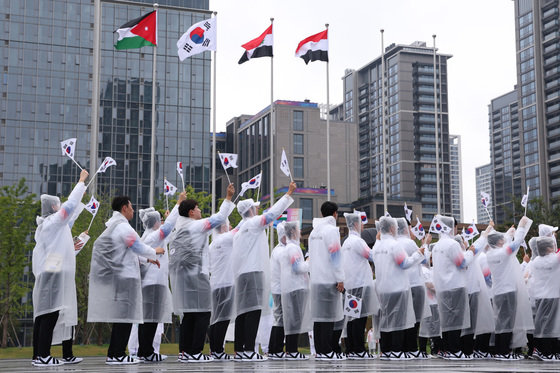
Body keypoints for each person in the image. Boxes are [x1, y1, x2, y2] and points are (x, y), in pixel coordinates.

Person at [87, 195, 165, 365]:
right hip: (125, 278)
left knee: (123, 318)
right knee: (125, 318)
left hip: (121, 277)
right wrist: (154, 251)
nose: (133, 210)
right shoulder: (123, 227)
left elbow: (128, 251)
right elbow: (136, 246)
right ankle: (117, 354)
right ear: (124, 208)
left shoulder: (115, 226)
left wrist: (147, 259)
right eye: (131, 207)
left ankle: (115, 353)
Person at [169, 183, 236, 363]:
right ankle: (196, 351)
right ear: (191, 212)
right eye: (198, 208)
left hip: (181, 277)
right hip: (196, 275)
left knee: (189, 313)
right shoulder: (196, 226)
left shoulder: (178, 229)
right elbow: (220, 217)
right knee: (204, 312)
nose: (200, 211)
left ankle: (185, 352)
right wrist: (228, 197)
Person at [231, 181, 296, 361]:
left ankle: (240, 349)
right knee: (253, 311)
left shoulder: (241, 228)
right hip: (254, 272)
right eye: (255, 207)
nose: (258, 210)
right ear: (251, 210)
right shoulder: (253, 223)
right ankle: (250, 350)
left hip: (242, 274)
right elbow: (273, 213)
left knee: (243, 312)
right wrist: (288, 193)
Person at [31, 169, 89, 367]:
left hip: (50, 270)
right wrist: (81, 182)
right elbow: (69, 207)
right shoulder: (53, 222)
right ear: (53, 206)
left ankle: (38, 355)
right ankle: (43, 355)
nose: (60, 205)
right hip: (52, 273)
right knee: (50, 313)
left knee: (44, 313)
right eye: (57, 203)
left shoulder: (50, 225)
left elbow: (70, 217)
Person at [135, 191, 186, 362]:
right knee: (150, 320)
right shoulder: (153, 236)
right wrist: (178, 205)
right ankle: (147, 352)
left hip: (153, 283)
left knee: (150, 320)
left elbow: (170, 231)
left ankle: (145, 351)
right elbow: (167, 228)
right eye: (160, 221)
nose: (162, 223)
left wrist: (173, 217)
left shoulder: (150, 237)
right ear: (155, 222)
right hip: (153, 283)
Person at [372, 216, 424, 360]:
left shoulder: (377, 246)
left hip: (382, 288)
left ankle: (386, 350)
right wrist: (418, 254)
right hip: (397, 287)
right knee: (398, 320)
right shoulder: (394, 245)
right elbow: (404, 263)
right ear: (391, 228)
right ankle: (396, 350)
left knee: (386, 319)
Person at [485, 216, 533, 360]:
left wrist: (510, 234)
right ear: (498, 242)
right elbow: (516, 243)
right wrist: (521, 227)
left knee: (501, 321)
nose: (503, 240)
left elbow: (509, 244)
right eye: (502, 239)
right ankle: (504, 352)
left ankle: (500, 350)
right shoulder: (501, 252)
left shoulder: (491, 254)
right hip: (508, 291)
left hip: (498, 291)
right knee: (508, 322)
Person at [431, 215, 473, 360]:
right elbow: (461, 263)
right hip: (455, 285)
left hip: (442, 287)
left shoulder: (436, 246)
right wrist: (470, 252)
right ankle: (455, 350)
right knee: (455, 318)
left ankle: (449, 349)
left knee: (447, 319)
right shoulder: (452, 244)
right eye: (455, 227)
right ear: (452, 227)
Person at [308, 201, 345, 361]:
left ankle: (320, 350)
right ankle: (327, 350)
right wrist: (340, 278)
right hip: (328, 278)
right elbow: (335, 255)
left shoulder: (314, 232)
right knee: (328, 317)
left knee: (319, 318)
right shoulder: (331, 230)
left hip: (315, 279)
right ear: (335, 214)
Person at [341, 213, 379, 359]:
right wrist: (378, 241)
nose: (363, 226)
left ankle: (351, 349)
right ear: (356, 224)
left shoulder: (347, 242)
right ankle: (358, 349)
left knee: (352, 318)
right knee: (359, 318)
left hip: (351, 285)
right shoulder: (358, 241)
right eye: (361, 223)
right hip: (359, 285)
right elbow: (372, 256)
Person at [453, 234, 494, 359]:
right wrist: (486, 232)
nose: (466, 243)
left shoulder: (458, 256)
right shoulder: (467, 255)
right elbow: (477, 246)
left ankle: (464, 350)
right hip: (470, 292)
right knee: (469, 324)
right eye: (464, 241)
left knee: (463, 324)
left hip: (462, 292)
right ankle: (467, 351)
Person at [396, 218, 431, 358]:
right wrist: (425, 245)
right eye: (410, 227)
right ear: (405, 228)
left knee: (404, 318)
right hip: (415, 284)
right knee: (415, 318)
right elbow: (424, 259)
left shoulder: (395, 243)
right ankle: (411, 347)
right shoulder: (409, 242)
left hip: (402, 285)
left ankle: (405, 347)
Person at [208, 219, 240, 361]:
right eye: (228, 224)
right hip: (226, 283)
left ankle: (214, 349)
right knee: (223, 319)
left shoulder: (212, 244)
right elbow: (240, 227)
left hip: (215, 283)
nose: (230, 226)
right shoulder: (226, 238)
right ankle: (218, 350)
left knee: (216, 319)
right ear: (222, 227)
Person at [279, 221, 311, 360]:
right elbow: (298, 267)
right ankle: (292, 350)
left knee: (293, 319)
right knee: (294, 320)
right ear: (292, 232)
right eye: (298, 229)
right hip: (296, 287)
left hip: (292, 287)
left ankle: (291, 349)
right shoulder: (292, 248)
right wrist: (310, 261)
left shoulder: (290, 248)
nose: (300, 232)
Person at [530, 236, 560, 361]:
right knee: (549, 326)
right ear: (548, 248)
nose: (554, 247)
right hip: (551, 296)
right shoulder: (553, 260)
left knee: (542, 324)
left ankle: (542, 350)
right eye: (552, 245)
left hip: (539, 296)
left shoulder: (536, 260)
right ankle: (547, 353)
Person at [268, 222, 288, 360]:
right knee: (280, 319)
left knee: (279, 318)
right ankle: (276, 349)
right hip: (281, 289)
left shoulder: (277, 249)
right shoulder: (282, 251)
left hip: (278, 288)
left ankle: (274, 348)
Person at [418, 250, 443, 357]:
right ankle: (423, 350)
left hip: (432, 302)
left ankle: (435, 350)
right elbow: (429, 285)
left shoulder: (429, 270)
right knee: (426, 327)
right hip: (429, 302)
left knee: (434, 327)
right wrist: (440, 292)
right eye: (431, 258)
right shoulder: (423, 270)